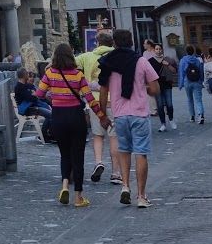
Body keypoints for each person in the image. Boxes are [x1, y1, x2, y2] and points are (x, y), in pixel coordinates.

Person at [36, 42, 110, 207]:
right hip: (76, 117)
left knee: (64, 155)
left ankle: (64, 186)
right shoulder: (78, 75)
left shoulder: (50, 73)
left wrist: (53, 96)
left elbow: (39, 94)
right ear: (71, 56)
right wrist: (101, 116)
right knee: (78, 156)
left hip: (58, 117)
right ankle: (78, 196)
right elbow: (90, 99)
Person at [97, 29, 160, 208]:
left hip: (120, 114)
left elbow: (103, 90)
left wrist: (102, 114)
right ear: (131, 41)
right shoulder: (141, 61)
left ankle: (125, 186)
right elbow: (155, 89)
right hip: (139, 113)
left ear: (114, 43)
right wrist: (143, 88)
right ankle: (141, 195)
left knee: (124, 151)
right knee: (141, 153)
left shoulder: (108, 61)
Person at [76, 29, 117, 185]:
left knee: (97, 135)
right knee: (114, 137)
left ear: (97, 43)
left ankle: (99, 162)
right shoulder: (116, 56)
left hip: (94, 102)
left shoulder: (87, 56)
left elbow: (69, 62)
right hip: (114, 101)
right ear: (111, 43)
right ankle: (116, 173)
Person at [149, 41, 178, 132]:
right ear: (154, 50)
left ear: (162, 50)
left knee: (169, 104)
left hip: (167, 84)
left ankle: (171, 120)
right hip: (157, 85)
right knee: (160, 105)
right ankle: (163, 124)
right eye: (156, 49)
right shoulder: (150, 61)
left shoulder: (167, 59)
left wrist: (168, 64)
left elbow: (174, 71)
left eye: (160, 49)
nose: (158, 51)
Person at [178, 46, 207, 124]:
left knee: (190, 99)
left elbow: (181, 73)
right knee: (198, 99)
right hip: (197, 81)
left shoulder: (183, 60)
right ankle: (200, 115)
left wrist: (180, 84)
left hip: (187, 81)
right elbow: (201, 71)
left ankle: (192, 116)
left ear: (186, 52)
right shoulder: (197, 60)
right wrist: (202, 80)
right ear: (193, 51)